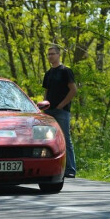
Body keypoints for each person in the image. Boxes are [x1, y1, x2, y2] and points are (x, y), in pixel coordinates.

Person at [42, 46, 77, 178]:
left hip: (62, 112)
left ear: (58, 55)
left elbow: (73, 90)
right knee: (49, 140)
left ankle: (70, 169)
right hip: (48, 111)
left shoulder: (65, 71)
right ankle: (50, 169)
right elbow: (46, 92)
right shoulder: (48, 73)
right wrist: (44, 106)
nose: (50, 56)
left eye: (52, 54)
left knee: (66, 139)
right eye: (48, 54)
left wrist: (61, 105)